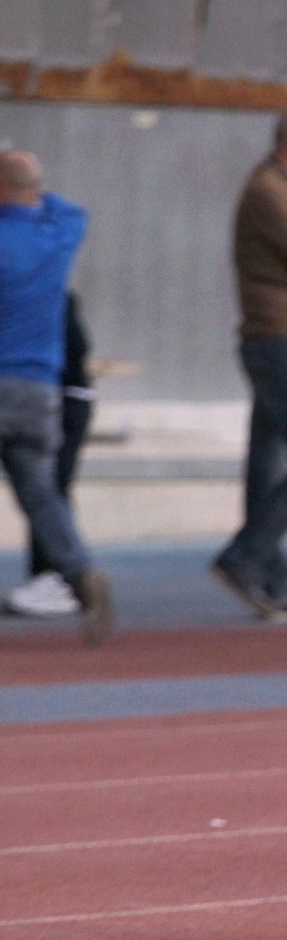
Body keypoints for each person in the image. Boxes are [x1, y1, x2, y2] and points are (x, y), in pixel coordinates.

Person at [213, 103, 287, 622]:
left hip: (281, 336)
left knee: (267, 461)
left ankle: (269, 576)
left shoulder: (283, 189)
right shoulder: (271, 192)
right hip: (279, 338)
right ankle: (245, 557)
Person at [0, 150, 113, 644]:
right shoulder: (60, 232)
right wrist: (28, 187)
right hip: (40, 390)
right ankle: (81, 575)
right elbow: (68, 207)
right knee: (42, 494)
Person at [5, 292, 94, 617]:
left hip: (57, 395)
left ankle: (58, 575)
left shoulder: (42, 296)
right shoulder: (45, 289)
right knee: (43, 490)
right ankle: (68, 572)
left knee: (47, 487)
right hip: (54, 392)